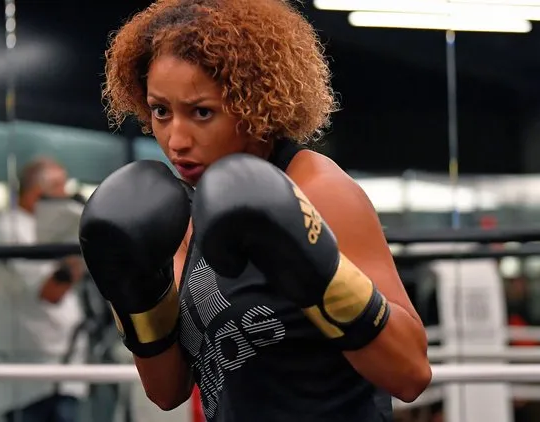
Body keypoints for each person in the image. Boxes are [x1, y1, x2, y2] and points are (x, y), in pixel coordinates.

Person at [80, 0, 432, 421]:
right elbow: (167, 390)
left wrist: (318, 273)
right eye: (161, 111)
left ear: (254, 104)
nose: (176, 139)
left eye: (202, 112)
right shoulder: (181, 215)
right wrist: (134, 294)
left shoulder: (316, 188)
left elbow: (410, 373)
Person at [0, 157, 88, 422]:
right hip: (29, 377)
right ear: (38, 192)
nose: (65, 196)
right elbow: (50, 291)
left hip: (63, 368)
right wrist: (80, 250)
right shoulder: (11, 229)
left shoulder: (49, 229)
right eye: (59, 188)